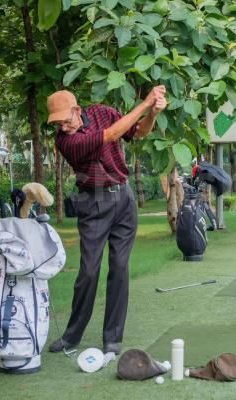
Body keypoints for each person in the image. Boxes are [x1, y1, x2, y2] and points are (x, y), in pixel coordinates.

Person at [46, 86, 167, 355]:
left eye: (66, 120)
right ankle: (72, 335)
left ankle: (112, 337)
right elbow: (110, 135)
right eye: (58, 123)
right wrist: (146, 103)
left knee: (120, 267)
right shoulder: (65, 142)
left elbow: (136, 133)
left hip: (124, 199)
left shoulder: (102, 112)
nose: (63, 127)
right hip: (93, 203)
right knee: (89, 271)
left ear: (78, 110)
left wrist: (153, 114)